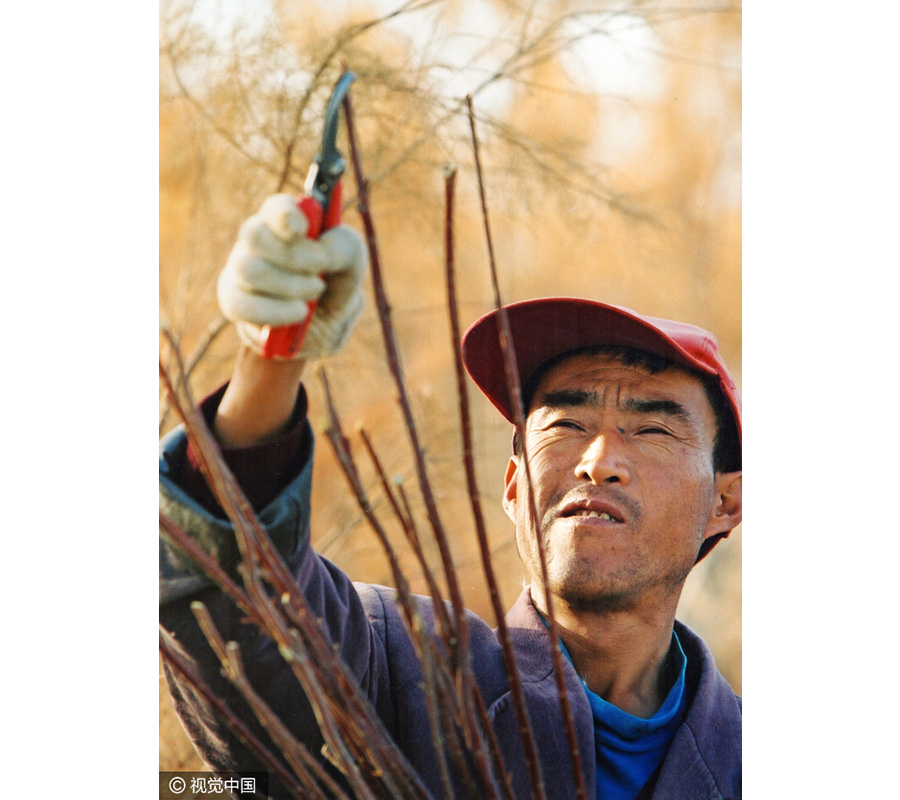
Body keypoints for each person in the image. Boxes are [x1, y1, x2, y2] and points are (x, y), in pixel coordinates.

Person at [160, 194, 742, 799]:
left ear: (725, 504)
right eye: (566, 425)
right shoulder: (402, 669)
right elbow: (248, 604)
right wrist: (269, 360)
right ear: (514, 486)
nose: (597, 462)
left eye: (651, 430)